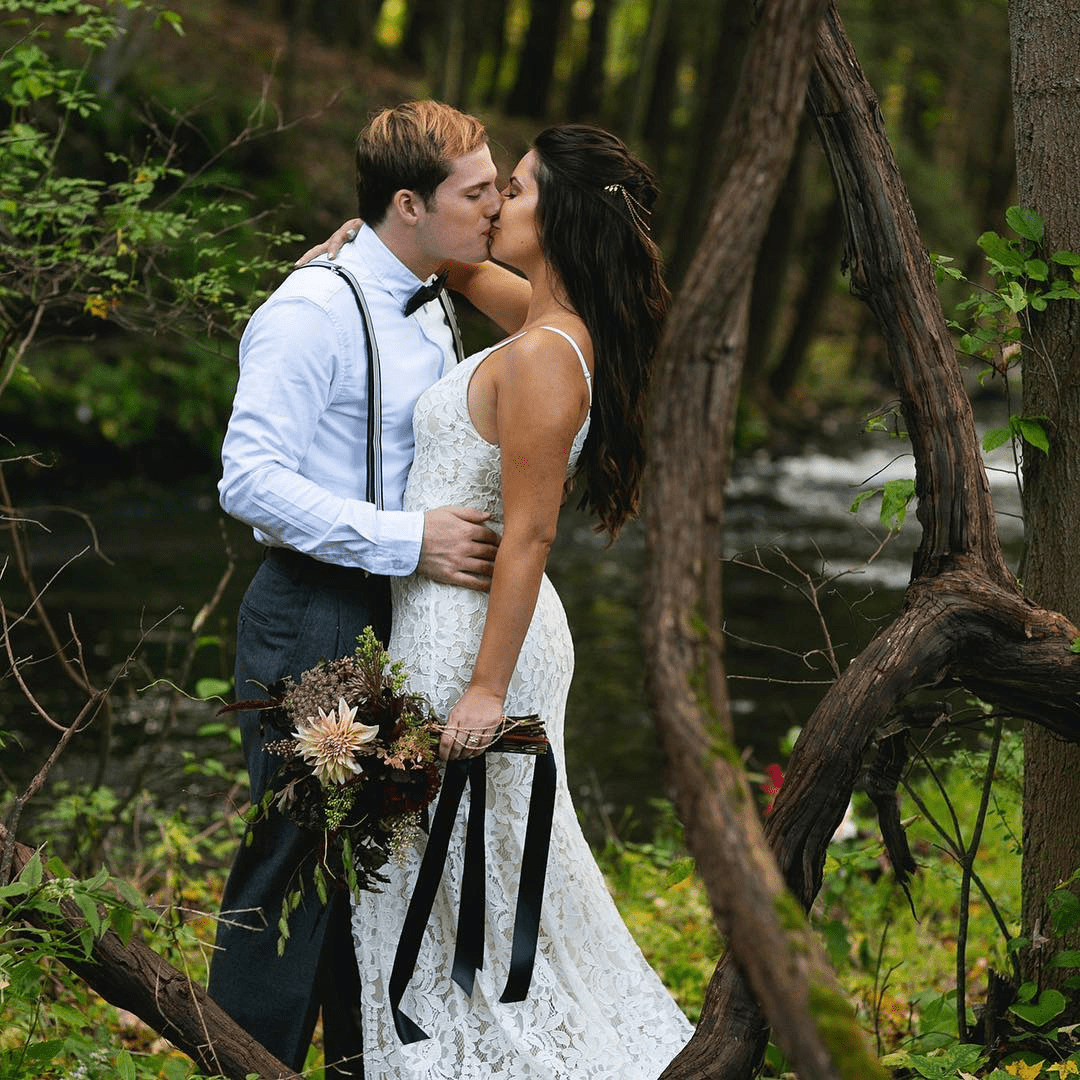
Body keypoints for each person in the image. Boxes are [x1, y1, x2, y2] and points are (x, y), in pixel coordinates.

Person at [317, 123, 695, 1078]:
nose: (493, 205)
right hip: (453, 619)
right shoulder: (547, 324)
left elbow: (529, 534)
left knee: (469, 864)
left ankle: (508, 1057)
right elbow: (453, 266)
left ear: (557, 219)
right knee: (464, 866)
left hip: (475, 637)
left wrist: (485, 691)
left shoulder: (540, 359)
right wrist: (362, 248)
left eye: (514, 192)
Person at [209, 101, 503, 1079]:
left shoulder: (438, 290)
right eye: (478, 192)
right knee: (294, 870)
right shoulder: (312, 309)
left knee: (376, 876)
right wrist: (407, 539)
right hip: (317, 613)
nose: (496, 205)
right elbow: (248, 481)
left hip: (404, 621)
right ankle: (237, 1066)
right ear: (410, 204)